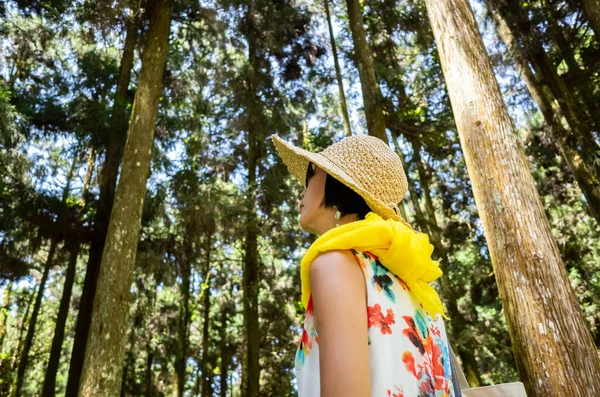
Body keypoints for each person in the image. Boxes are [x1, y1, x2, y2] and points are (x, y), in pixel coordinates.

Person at [271, 134, 456, 397]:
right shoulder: (412, 283)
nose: (303, 188)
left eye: (311, 174)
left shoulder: (335, 263)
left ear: (337, 184)